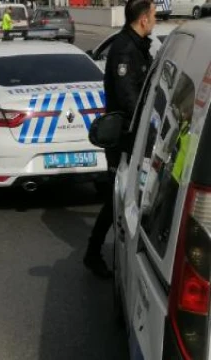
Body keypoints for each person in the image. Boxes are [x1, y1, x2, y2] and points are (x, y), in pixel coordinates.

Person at [83, 0, 156, 279]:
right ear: (142, 20)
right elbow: (129, 99)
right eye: (153, 15)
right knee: (119, 197)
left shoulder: (136, 46)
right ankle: (94, 253)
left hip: (132, 135)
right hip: (124, 136)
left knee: (128, 196)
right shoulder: (125, 50)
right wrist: (150, 119)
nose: (155, 20)